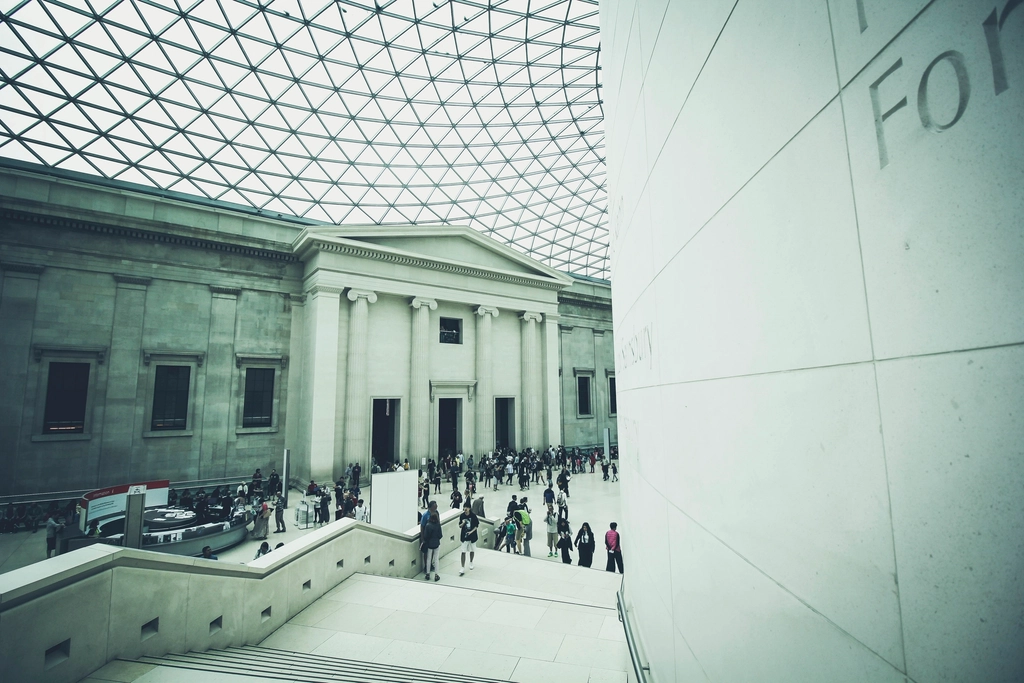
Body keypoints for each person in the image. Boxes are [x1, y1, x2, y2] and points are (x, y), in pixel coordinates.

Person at [458, 503, 479, 575]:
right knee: (463, 551)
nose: (465, 509)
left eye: (467, 507)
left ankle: (471, 562)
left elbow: (476, 526)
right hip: (464, 536)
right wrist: (463, 523)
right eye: (464, 507)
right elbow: (460, 526)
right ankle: (462, 567)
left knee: (472, 550)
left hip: (472, 536)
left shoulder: (473, 516)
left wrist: (471, 532)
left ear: (469, 508)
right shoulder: (462, 516)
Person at [422, 511, 442, 581]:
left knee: (428, 559)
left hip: (429, 544)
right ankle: (436, 575)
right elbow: (440, 535)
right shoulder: (438, 525)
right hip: (436, 543)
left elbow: (425, 536)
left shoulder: (428, 525)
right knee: (436, 559)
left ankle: (427, 574)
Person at [420, 501, 437, 573]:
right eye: (435, 507)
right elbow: (422, 526)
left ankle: (430, 564)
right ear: (431, 507)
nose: (436, 508)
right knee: (426, 552)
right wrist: (422, 538)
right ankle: (426, 566)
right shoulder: (425, 515)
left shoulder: (436, 513)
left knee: (432, 551)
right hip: (427, 537)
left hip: (433, 537)